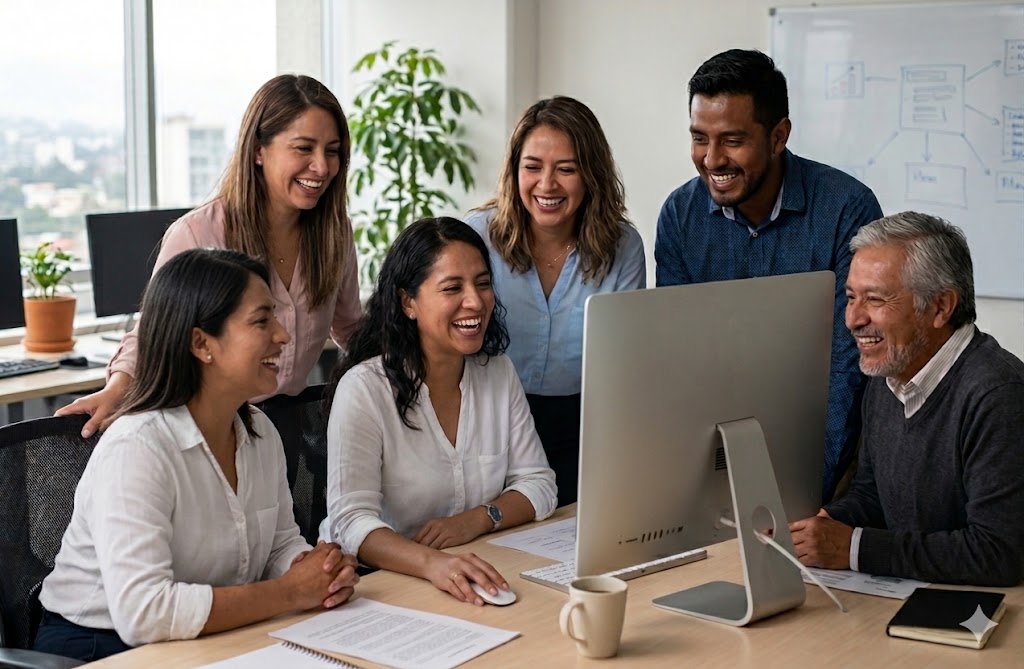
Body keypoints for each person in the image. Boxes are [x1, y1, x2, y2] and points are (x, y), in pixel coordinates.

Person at [34, 249, 360, 662]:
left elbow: (279, 545)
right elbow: (144, 614)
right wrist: (290, 591)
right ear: (201, 343)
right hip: (99, 647)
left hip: (207, 636)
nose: (283, 335)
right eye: (262, 320)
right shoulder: (138, 448)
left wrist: (316, 571)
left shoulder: (259, 432)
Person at [58, 74, 360, 438]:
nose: (323, 167)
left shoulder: (334, 234)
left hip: (286, 430)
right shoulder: (199, 234)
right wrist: (117, 389)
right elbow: (153, 334)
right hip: (205, 430)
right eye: (303, 148)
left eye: (332, 150)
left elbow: (349, 327)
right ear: (258, 151)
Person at [654, 49, 883, 503]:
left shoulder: (846, 209)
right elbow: (681, 361)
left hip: (833, 455)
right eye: (700, 138)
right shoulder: (680, 215)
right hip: (719, 453)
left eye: (732, 140)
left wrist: (798, 494)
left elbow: (848, 364)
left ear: (778, 137)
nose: (712, 159)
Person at [321, 217, 557, 605]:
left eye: (483, 283)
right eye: (453, 288)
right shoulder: (364, 389)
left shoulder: (497, 372)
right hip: (378, 587)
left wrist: (477, 519)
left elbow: (539, 484)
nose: (475, 301)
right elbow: (351, 522)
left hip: (474, 570)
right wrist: (433, 563)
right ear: (407, 302)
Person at [788, 212, 1024, 586]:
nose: (852, 319)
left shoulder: (999, 395)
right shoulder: (888, 373)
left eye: (875, 299)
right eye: (850, 297)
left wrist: (853, 548)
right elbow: (874, 496)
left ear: (940, 307)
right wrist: (822, 524)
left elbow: (998, 552)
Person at [465, 96, 646, 507]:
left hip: (584, 429)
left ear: (591, 175)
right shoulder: (475, 237)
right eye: (532, 167)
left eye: (566, 169)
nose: (547, 185)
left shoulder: (623, 246)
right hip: (490, 426)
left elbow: (624, 361)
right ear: (515, 172)